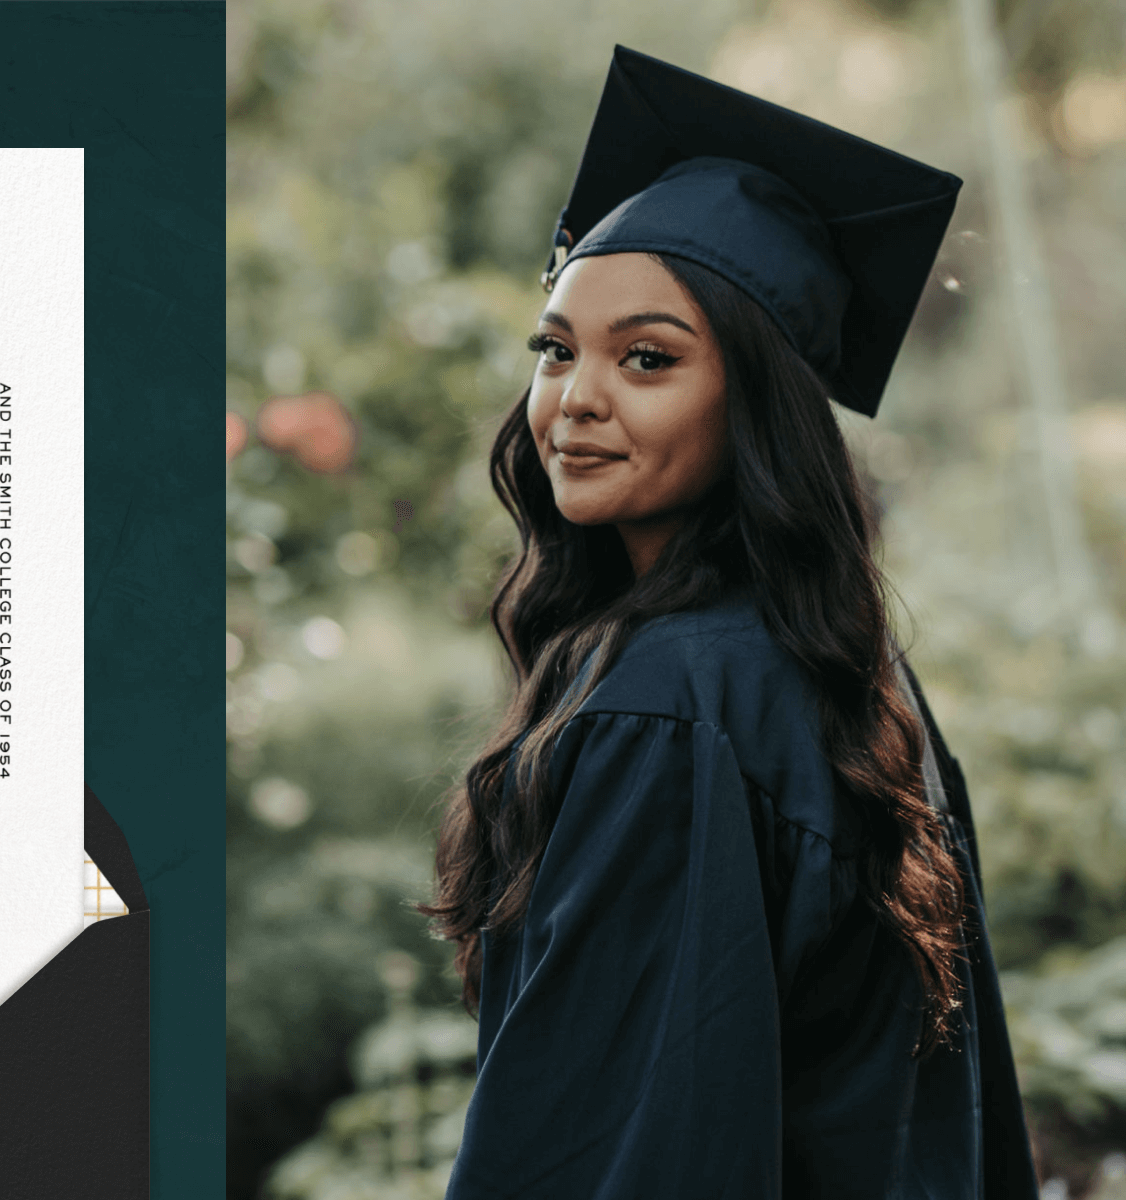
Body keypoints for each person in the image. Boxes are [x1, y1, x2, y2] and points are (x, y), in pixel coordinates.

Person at [423, 46, 1040, 1198]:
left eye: (647, 357)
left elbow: (624, 1155)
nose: (576, 399)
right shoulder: (838, 673)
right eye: (555, 350)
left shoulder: (667, 712)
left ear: (755, 400)